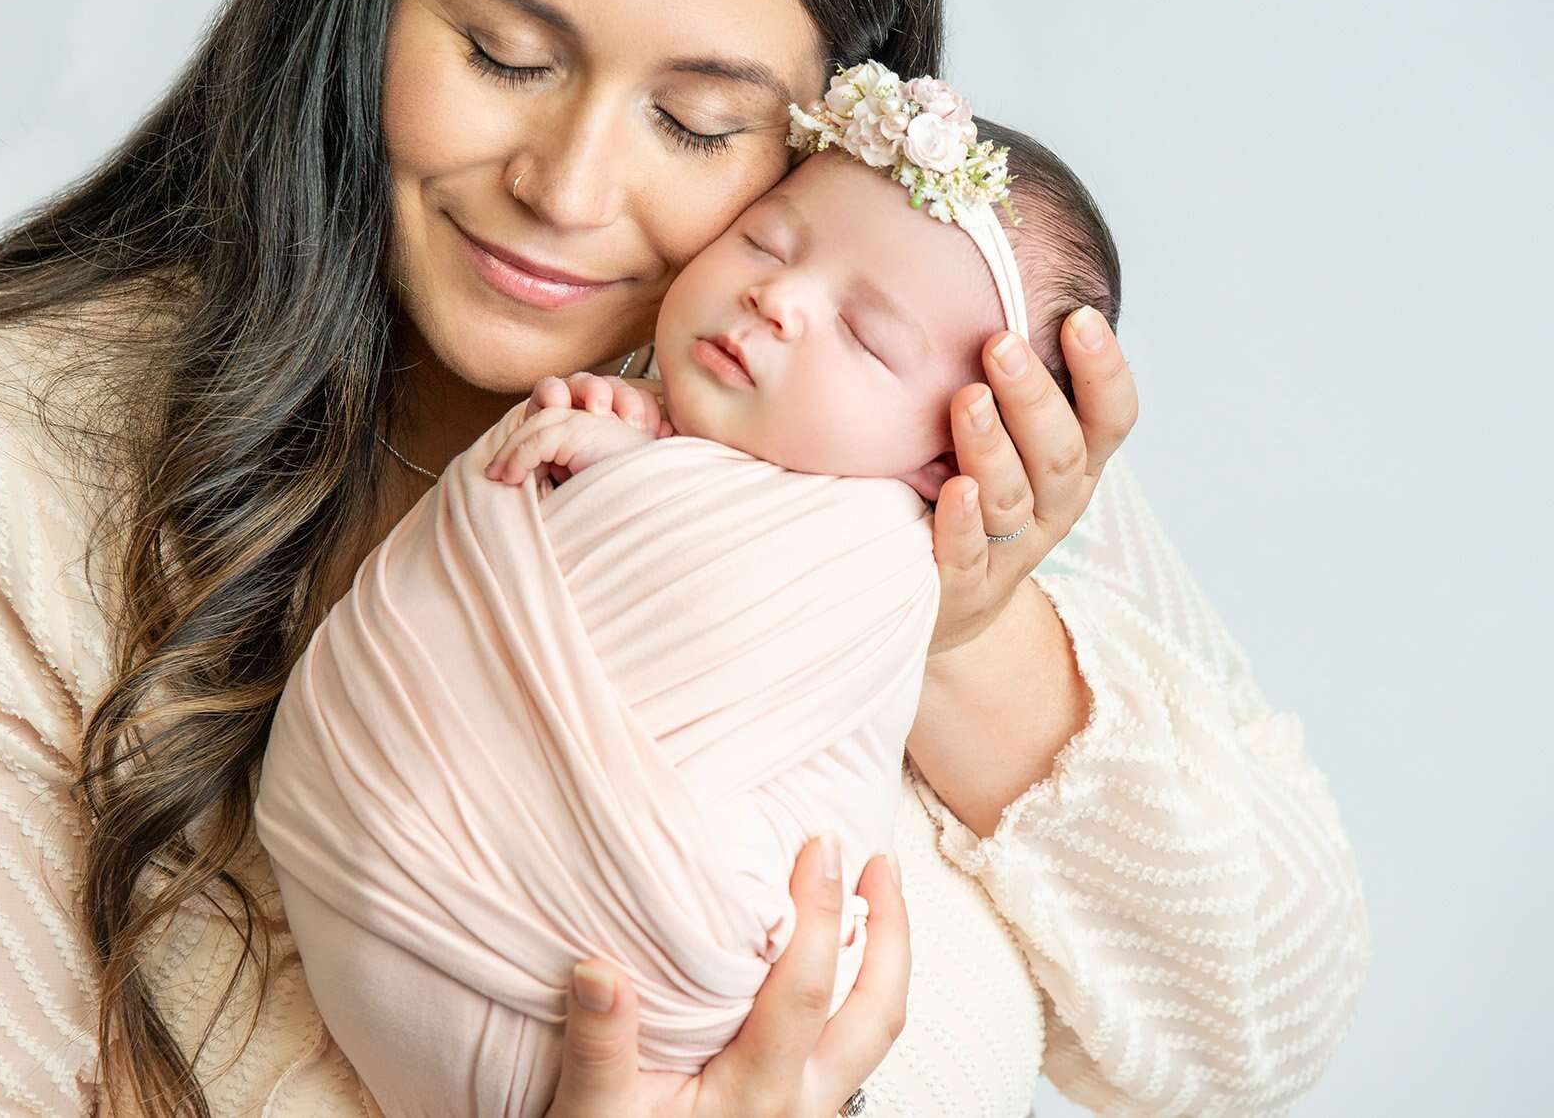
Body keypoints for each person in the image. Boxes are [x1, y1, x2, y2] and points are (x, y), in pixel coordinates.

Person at [0, 0, 1369, 1116]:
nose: (567, 187)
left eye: (703, 125)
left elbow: (1255, 1026)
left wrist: (969, 628)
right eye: (502, 54)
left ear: (838, 128)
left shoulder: (889, 432)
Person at [254, 89, 1123, 1118]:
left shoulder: (875, 553)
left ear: (955, 454)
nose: (778, 298)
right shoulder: (646, 427)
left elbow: (701, 602)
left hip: (639, 1010)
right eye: (762, 241)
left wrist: (629, 480)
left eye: (865, 333)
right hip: (381, 869)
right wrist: (634, 454)